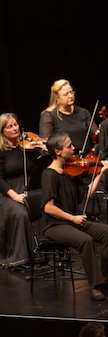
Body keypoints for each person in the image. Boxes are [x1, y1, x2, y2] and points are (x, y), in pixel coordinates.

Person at [41, 132, 108, 301]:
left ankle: (107, 276)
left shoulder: (71, 171)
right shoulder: (49, 175)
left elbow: (87, 194)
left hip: (73, 221)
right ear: (58, 151)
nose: (74, 149)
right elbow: (48, 208)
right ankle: (95, 285)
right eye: (69, 146)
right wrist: (72, 218)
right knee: (85, 240)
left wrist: (101, 172)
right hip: (55, 225)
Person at [0, 113, 39, 268]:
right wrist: (15, 196)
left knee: (45, 206)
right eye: (9, 127)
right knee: (21, 213)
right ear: (3, 131)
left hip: (29, 188)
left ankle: (43, 252)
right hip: (8, 192)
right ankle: (20, 257)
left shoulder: (27, 147)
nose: (15, 128)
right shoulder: (2, 151)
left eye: (15, 124)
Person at [40, 79, 97, 155]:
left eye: (71, 92)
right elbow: (46, 144)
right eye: (66, 94)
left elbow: (95, 134)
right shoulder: (48, 116)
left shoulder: (83, 112)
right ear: (57, 98)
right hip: (64, 161)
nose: (70, 96)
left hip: (85, 159)